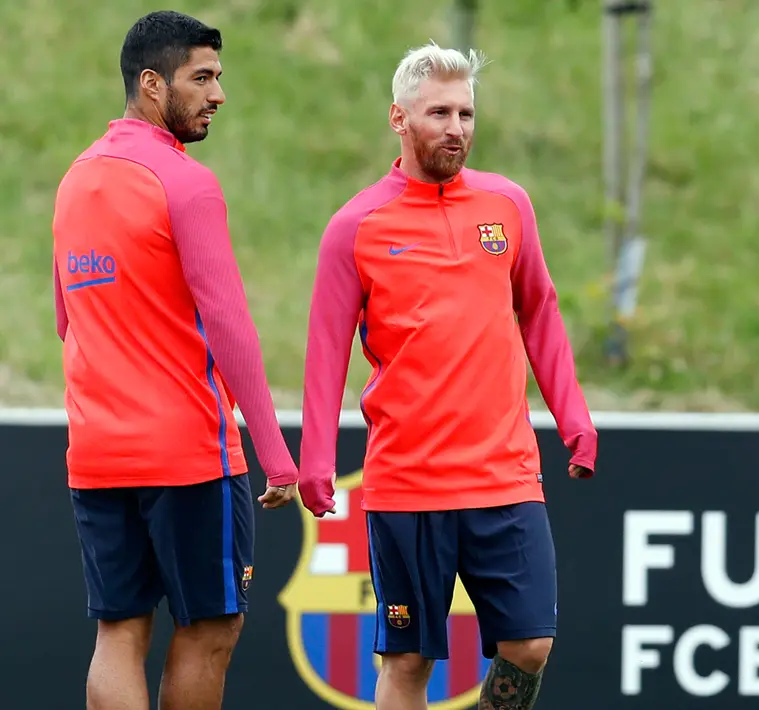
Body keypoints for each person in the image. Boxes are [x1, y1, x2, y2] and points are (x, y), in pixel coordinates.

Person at [297, 42, 598, 710]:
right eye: (439, 113)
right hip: (407, 484)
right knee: (406, 662)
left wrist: (572, 417)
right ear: (399, 120)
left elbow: (540, 313)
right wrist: (315, 460)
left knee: (530, 647)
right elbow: (325, 351)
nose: (456, 127)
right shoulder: (355, 226)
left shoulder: (508, 204)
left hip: (504, 477)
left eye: (465, 113)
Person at [51, 10, 299, 710]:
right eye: (204, 77)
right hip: (188, 455)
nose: (219, 93)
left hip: (96, 453)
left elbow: (65, 317)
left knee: (118, 632)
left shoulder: (75, 180)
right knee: (210, 626)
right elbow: (230, 326)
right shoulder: (186, 182)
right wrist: (277, 456)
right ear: (152, 83)